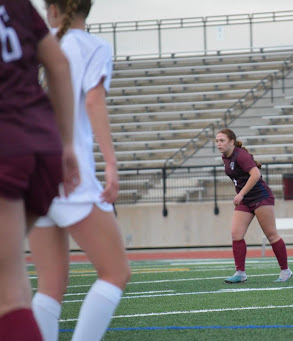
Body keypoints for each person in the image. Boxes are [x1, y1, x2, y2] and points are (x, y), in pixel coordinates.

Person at [28, 1, 131, 340]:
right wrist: (112, 164)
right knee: (116, 272)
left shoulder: (49, 46)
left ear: (55, 9)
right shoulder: (93, 46)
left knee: (50, 285)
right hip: (70, 172)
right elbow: (93, 100)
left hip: (36, 170)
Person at [0, 1, 80, 340]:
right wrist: (66, 145)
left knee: (8, 297)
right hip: (42, 146)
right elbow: (58, 65)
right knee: (10, 285)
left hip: (6, 146)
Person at [216, 128, 292, 283]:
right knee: (236, 234)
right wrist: (243, 195)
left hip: (260, 197)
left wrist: (241, 194)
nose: (218, 144)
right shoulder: (226, 156)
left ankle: (285, 270)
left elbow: (255, 174)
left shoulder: (241, 155)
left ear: (231, 142)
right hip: (246, 200)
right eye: (217, 141)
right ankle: (240, 273)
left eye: (222, 140)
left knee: (271, 235)